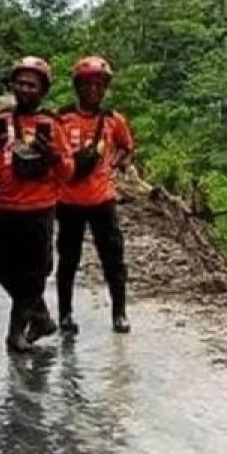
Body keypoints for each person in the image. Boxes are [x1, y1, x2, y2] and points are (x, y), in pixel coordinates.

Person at [0, 56, 73, 354]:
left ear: (43, 90)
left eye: (31, 85)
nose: (24, 90)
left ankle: (15, 332)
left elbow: (68, 172)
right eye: (20, 83)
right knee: (3, 271)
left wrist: (52, 156)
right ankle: (40, 316)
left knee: (35, 272)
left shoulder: (52, 125)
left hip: (39, 210)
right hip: (5, 208)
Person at [56, 56, 135, 335]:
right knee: (68, 260)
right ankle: (65, 314)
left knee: (113, 258)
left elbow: (126, 146)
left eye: (99, 85)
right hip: (67, 201)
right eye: (88, 84)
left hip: (103, 200)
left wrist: (116, 162)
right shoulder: (61, 118)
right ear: (78, 87)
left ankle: (119, 313)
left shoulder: (114, 120)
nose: (94, 90)